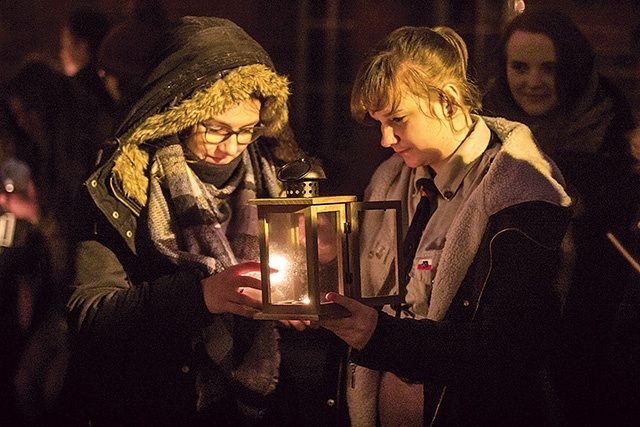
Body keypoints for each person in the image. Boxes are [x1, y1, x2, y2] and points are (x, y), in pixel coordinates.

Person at [58, 16, 345, 427]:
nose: (231, 146)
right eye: (216, 129)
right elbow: (89, 317)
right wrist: (202, 296)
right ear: (178, 113)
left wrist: (303, 295)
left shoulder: (278, 178)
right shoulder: (123, 186)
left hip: (253, 405)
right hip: (151, 403)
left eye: (247, 130)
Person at [318, 25, 573, 427]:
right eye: (378, 122)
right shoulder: (390, 180)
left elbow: (509, 348)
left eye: (397, 119)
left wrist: (378, 335)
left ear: (449, 102)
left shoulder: (521, 191)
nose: (386, 139)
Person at [481, 9, 640, 424]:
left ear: (572, 69)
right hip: (500, 337)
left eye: (549, 68)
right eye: (520, 67)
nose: (533, 82)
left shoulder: (612, 136)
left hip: (592, 343)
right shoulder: (481, 132)